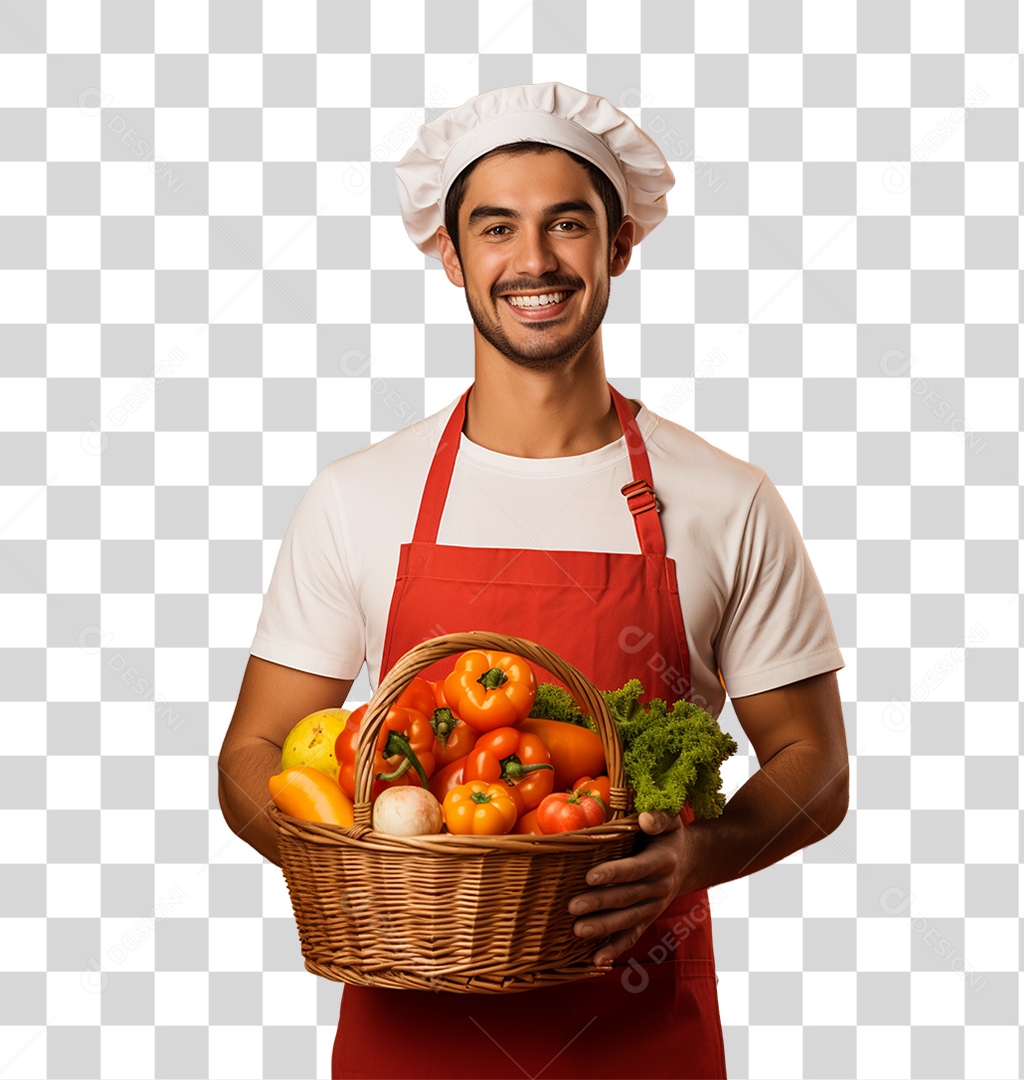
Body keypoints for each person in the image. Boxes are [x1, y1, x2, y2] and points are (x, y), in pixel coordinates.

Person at [218, 82, 849, 1080]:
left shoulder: (725, 499)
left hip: (643, 1038)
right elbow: (252, 751)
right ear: (450, 254)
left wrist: (700, 857)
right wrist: (361, 871)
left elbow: (815, 761)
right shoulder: (359, 497)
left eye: (568, 223)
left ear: (619, 245)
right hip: (406, 1041)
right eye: (496, 226)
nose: (534, 260)